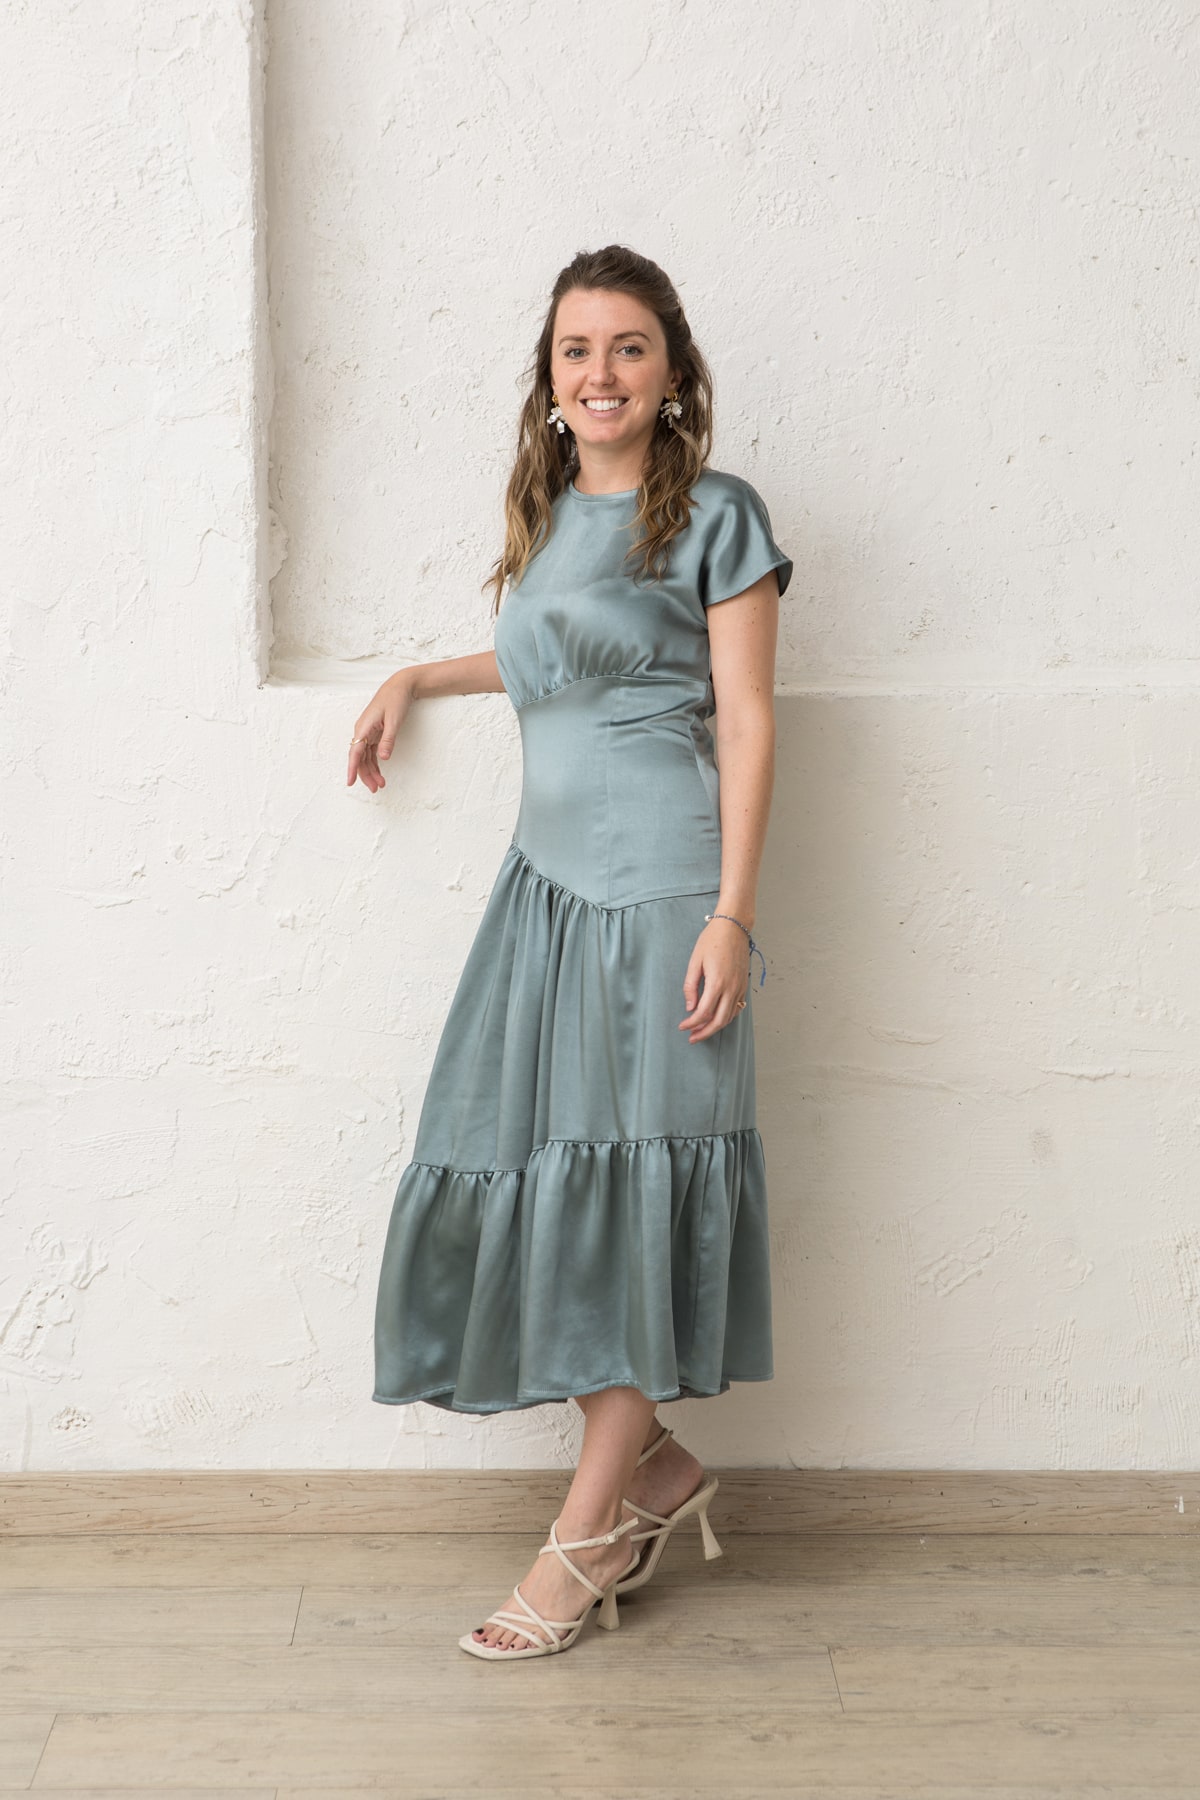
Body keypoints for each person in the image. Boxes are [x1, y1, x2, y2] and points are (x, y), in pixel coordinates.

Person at [348, 245, 792, 1660]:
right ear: (549, 385)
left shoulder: (720, 516)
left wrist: (731, 912)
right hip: (541, 891)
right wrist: (423, 672)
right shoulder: (543, 520)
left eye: (628, 349)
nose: (598, 374)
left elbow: (749, 717)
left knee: (627, 1180)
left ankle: (588, 1536)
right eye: (574, 352)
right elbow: (557, 658)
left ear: (673, 375)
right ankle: (652, 1475)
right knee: (543, 1179)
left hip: (663, 892)